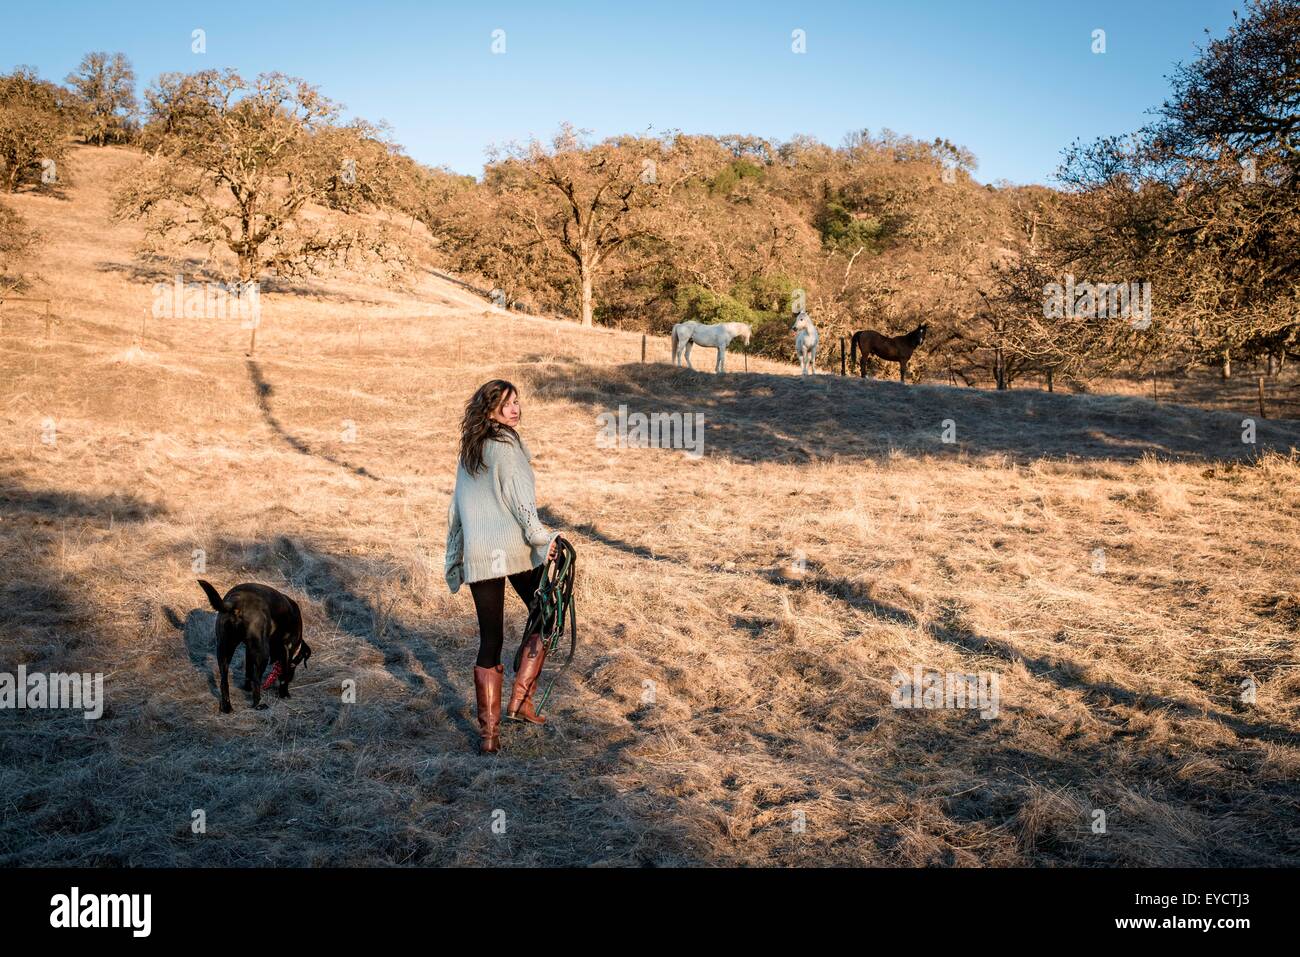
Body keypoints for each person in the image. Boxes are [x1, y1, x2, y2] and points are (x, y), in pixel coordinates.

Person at [445, 379, 561, 754]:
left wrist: (456, 552)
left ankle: (490, 735)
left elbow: (456, 508)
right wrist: (543, 538)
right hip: (513, 549)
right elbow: (520, 499)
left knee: (490, 639)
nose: (516, 409)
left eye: (517, 402)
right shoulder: (507, 445)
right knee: (547, 614)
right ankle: (521, 701)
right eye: (507, 403)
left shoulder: (471, 448)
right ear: (490, 407)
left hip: (481, 555)